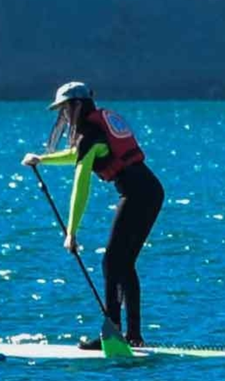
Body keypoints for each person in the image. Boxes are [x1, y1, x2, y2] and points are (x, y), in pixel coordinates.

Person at [22, 82, 164, 349]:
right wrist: (42, 159)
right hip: (152, 191)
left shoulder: (90, 134)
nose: (62, 115)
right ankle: (133, 336)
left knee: (112, 262)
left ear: (77, 105)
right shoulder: (95, 131)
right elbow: (77, 156)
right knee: (124, 263)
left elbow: (81, 183)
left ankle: (112, 335)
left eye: (64, 109)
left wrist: (71, 232)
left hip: (137, 195)